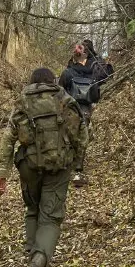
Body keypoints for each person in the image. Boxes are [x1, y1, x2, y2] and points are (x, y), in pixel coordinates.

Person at [0, 67, 88, 267]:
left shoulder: (23, 101)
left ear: (33, 82)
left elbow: (8, 139)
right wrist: (76, 165)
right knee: (51, 217)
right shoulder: (65, 99)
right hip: (59, 167)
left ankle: (32, 259)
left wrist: (1, 172)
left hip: (29, 166)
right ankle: (37, 265)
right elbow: (82, 135)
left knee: (32, 209)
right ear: (52, 80)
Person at [59, 43, 103, 187]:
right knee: (83, 136)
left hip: (70, 108)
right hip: (85, 108)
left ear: (73, 58)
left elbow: (60, 91)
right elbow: (96, 94)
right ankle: (78, 168)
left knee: (67, 135)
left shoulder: (67, 72)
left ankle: (67, 166)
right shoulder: (93, 72)